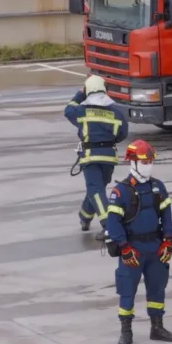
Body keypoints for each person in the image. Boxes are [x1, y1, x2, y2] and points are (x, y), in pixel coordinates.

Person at [105, 140, 172, 344]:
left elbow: (167, 215)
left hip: (155, 248)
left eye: (150, 161)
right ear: (132, 162)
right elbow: (113, 223)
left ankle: (157, 327)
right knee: (127, 291)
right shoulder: (120, 191)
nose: (148, 165)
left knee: (157, 289)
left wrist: (168, 241)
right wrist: (124, 248)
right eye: (144, 161)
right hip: (133, 250)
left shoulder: (158, 187)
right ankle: (126, 331)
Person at [65, 74, 128, 240]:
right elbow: (123, 133)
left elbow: (68, 110)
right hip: (109, 158)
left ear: (87, 91)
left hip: (90, 157)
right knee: (96, 190)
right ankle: (85, 216)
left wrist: (79, 94)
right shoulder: (116, 113)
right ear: (105, 90)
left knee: (96, 191)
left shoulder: (81, 111)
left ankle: (109, 226)